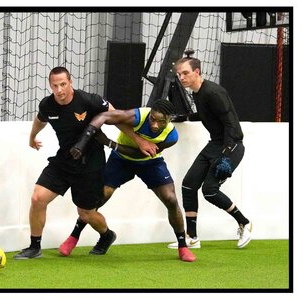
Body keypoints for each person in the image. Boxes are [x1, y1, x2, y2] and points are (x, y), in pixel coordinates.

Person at [58, 99, 197, 262]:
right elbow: (102, 116)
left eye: (161, 121)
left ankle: (182, 246)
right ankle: (75, 237)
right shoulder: (136, 116)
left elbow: (140, 153)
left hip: (150, 162)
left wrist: (109, 143)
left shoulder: (171, 136)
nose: (154, 125)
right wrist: (83, 142)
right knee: (97, 199)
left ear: (169, 120)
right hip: (120, 160)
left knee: (171, 199)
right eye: (153, 118)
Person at [14, 66, 117, 259]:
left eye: (63, 84)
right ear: (50, 86)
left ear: (70, 82)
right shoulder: (47, 105)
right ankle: (34, 246)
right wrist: (32, 137)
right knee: (38, 198)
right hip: (64, 160)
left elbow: (116, 115)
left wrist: (137, 139)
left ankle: (107, 235)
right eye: (55, 86)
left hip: (90, 164)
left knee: (86, 214)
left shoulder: (88, 100)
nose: (59, 90)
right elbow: (40, 120)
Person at [168, 51, 252, 250]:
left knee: (209, 191)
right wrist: (187, 117)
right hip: (215, 144)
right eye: (179, 74)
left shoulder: (213, 92)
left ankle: (244, 222)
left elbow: (232, 124)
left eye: (185, 73)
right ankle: (192, 237)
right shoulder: (198, 93)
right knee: (189, 185)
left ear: (197, 72)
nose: (182, 78)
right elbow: (207, 115)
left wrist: (227, 155)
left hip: (230, 145)